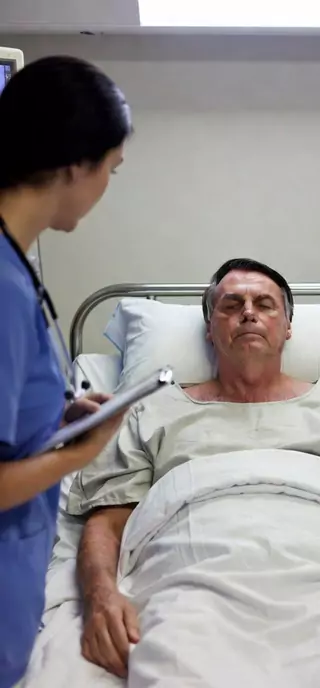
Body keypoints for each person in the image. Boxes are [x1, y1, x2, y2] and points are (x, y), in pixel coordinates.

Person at [67, 258, 320, 684]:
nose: (247, 313)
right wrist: (101, 596)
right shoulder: (152, 412)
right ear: (209, 329)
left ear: (287, 327)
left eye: (264, 304)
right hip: (191, 579)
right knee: (176, 663)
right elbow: (108, 519)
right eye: (230, 305)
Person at [0, 55, 133, 688]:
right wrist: (78, 454)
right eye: (110, 168)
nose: (107, 186)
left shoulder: (14, 268)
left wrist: (54, 421)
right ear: (76, 164)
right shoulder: (2, 288)